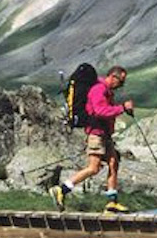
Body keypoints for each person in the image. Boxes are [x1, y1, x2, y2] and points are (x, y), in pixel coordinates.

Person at [50, 66, 135, 213]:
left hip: (104, 134)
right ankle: (61, 190)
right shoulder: (98, 90)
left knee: (113, 162)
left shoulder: (107, 92)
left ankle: (112, 202)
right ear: (113, 77)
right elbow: (100, 111)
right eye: (121, 81)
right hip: (96, 133)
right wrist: (122, 108)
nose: (121, 85)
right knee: (93, 168)